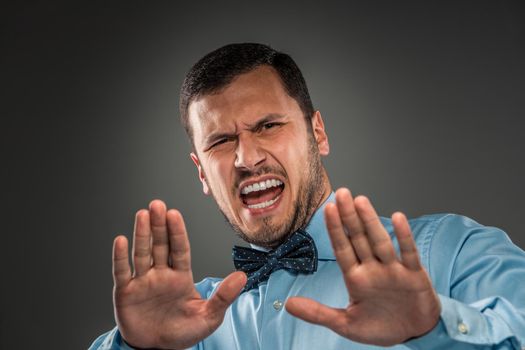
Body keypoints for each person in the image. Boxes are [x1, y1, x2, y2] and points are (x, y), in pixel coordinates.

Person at [90, 43, 525, 350]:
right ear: (201, 172)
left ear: (318, 133)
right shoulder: (189, 323)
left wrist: (435, 326)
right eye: (221, 140)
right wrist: (135, 348)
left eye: (267, 126)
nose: (247, 157)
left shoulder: (450, 251)